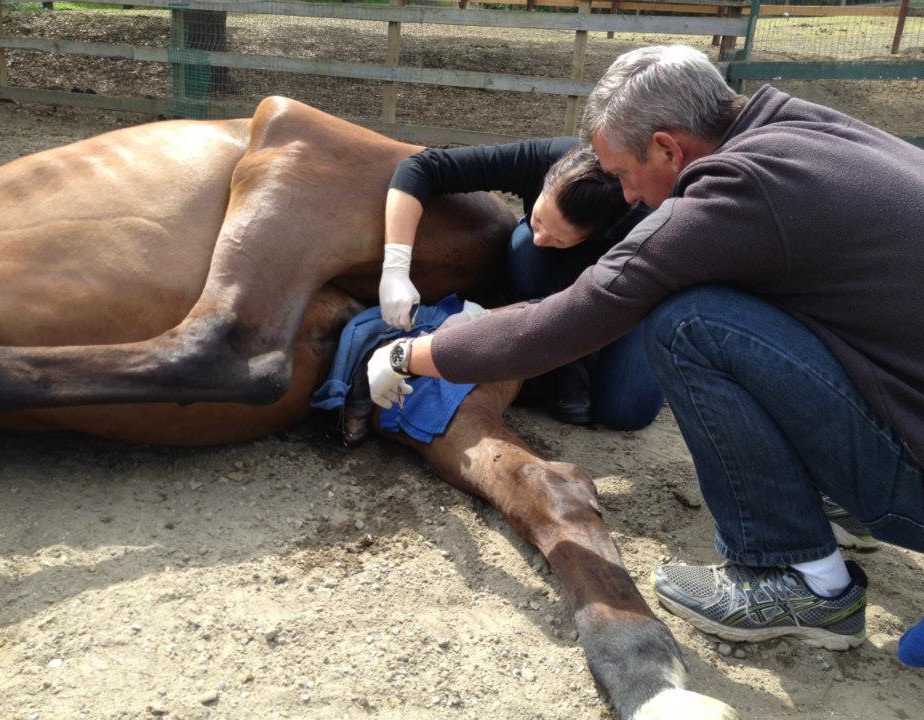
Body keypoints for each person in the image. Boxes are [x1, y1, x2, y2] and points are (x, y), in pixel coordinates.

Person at [369, 44, 924, 653]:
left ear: (667, 147)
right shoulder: (799, 124)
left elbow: (570, 319)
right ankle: (839, 500)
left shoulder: (736, 191)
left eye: (625, 173)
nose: (626, 196)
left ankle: (801, 577)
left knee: (689, 323)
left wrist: (409, 355)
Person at [380, 139, 663, 427]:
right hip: (561, 280)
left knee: (626, 413)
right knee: (526, 246)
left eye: (560, 237)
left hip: (628, 302)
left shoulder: (643, 226)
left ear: (596, 233)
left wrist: (481, 320)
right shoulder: (544, 159)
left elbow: (592, 306)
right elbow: (420, 168)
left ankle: (572, 353)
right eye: (540, 218)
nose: (543, 238)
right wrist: (395, 268)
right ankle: (562, 364)